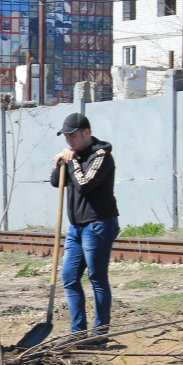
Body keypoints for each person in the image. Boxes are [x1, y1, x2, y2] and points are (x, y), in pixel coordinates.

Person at [51, 112, 120, 337]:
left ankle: (100, 333)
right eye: (66, 137)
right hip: (76, 228)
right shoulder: (74, 157)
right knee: (69, 278)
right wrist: (60, 164)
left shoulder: (102, 156)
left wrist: (72, 163)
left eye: (73, 136)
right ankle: (77, 333)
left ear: (86, 133)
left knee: (97, 278)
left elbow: (84, 185)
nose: (69, 141)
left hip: (98, 225)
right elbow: (55, 182)